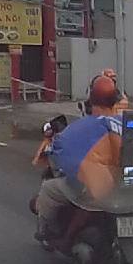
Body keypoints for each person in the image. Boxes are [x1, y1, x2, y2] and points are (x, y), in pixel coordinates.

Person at [34, 73, 125, 243]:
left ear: (92, 98)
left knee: (48, 189)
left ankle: (47, 230)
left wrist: (53, 147)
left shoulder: (87, 125)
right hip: (120, 185)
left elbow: (62, 147)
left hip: (94, 186)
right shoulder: (124, 122)